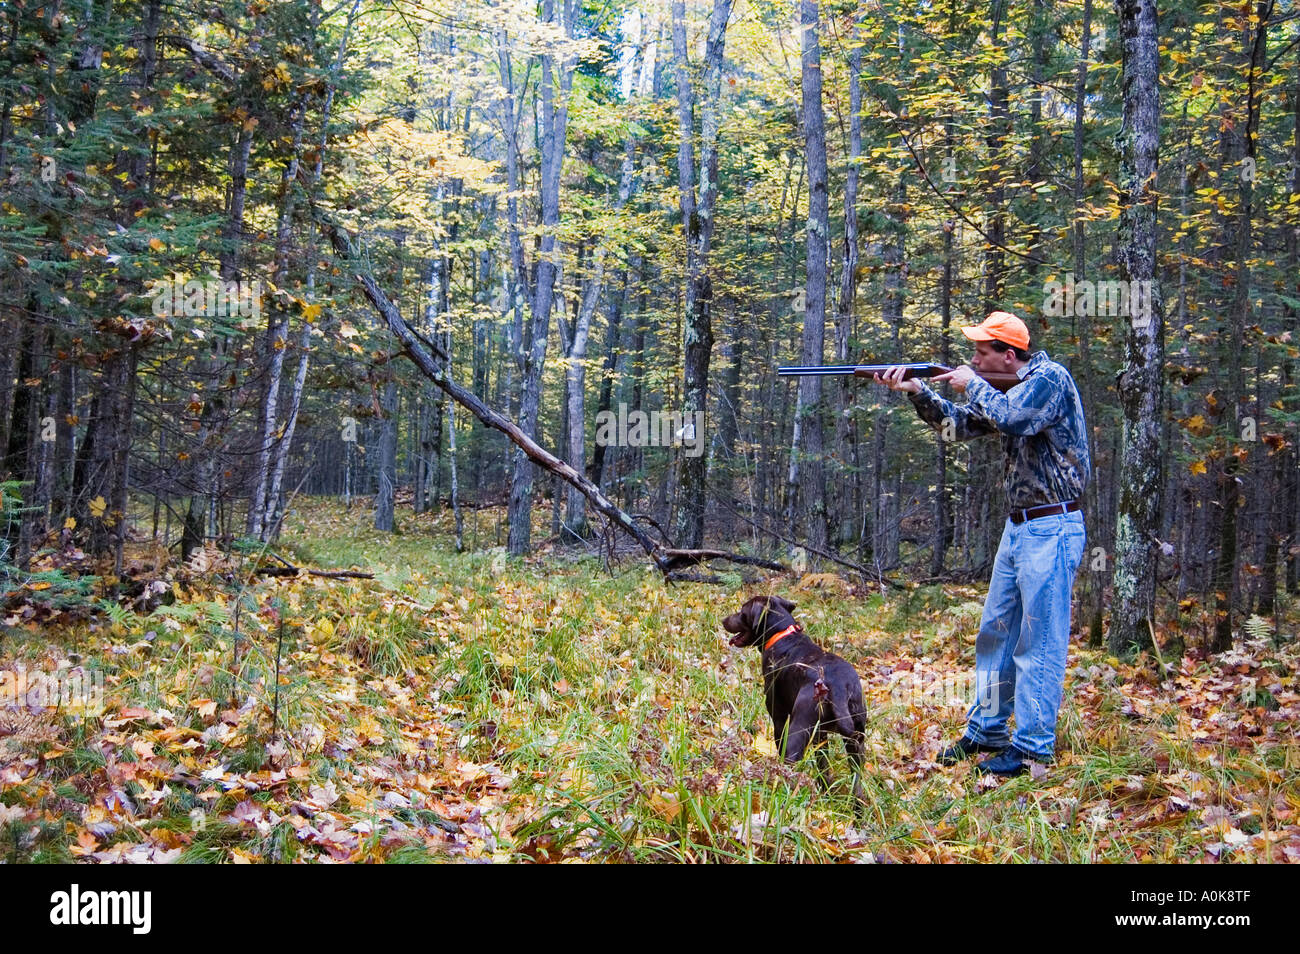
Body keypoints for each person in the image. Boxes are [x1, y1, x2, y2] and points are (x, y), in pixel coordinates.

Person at [875, 311, 1089, 777]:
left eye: (981, 352)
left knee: (1039, 640)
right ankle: (988, 731)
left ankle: (1033, 748)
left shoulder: (1048, 379)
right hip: (1019, 529)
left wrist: (972, 382)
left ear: (1008, 355)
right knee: (996, 632)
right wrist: (918, 392)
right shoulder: (1005, 388)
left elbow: (1013, 420)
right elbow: (956, 428)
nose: (972, 359)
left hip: (1051, 528)